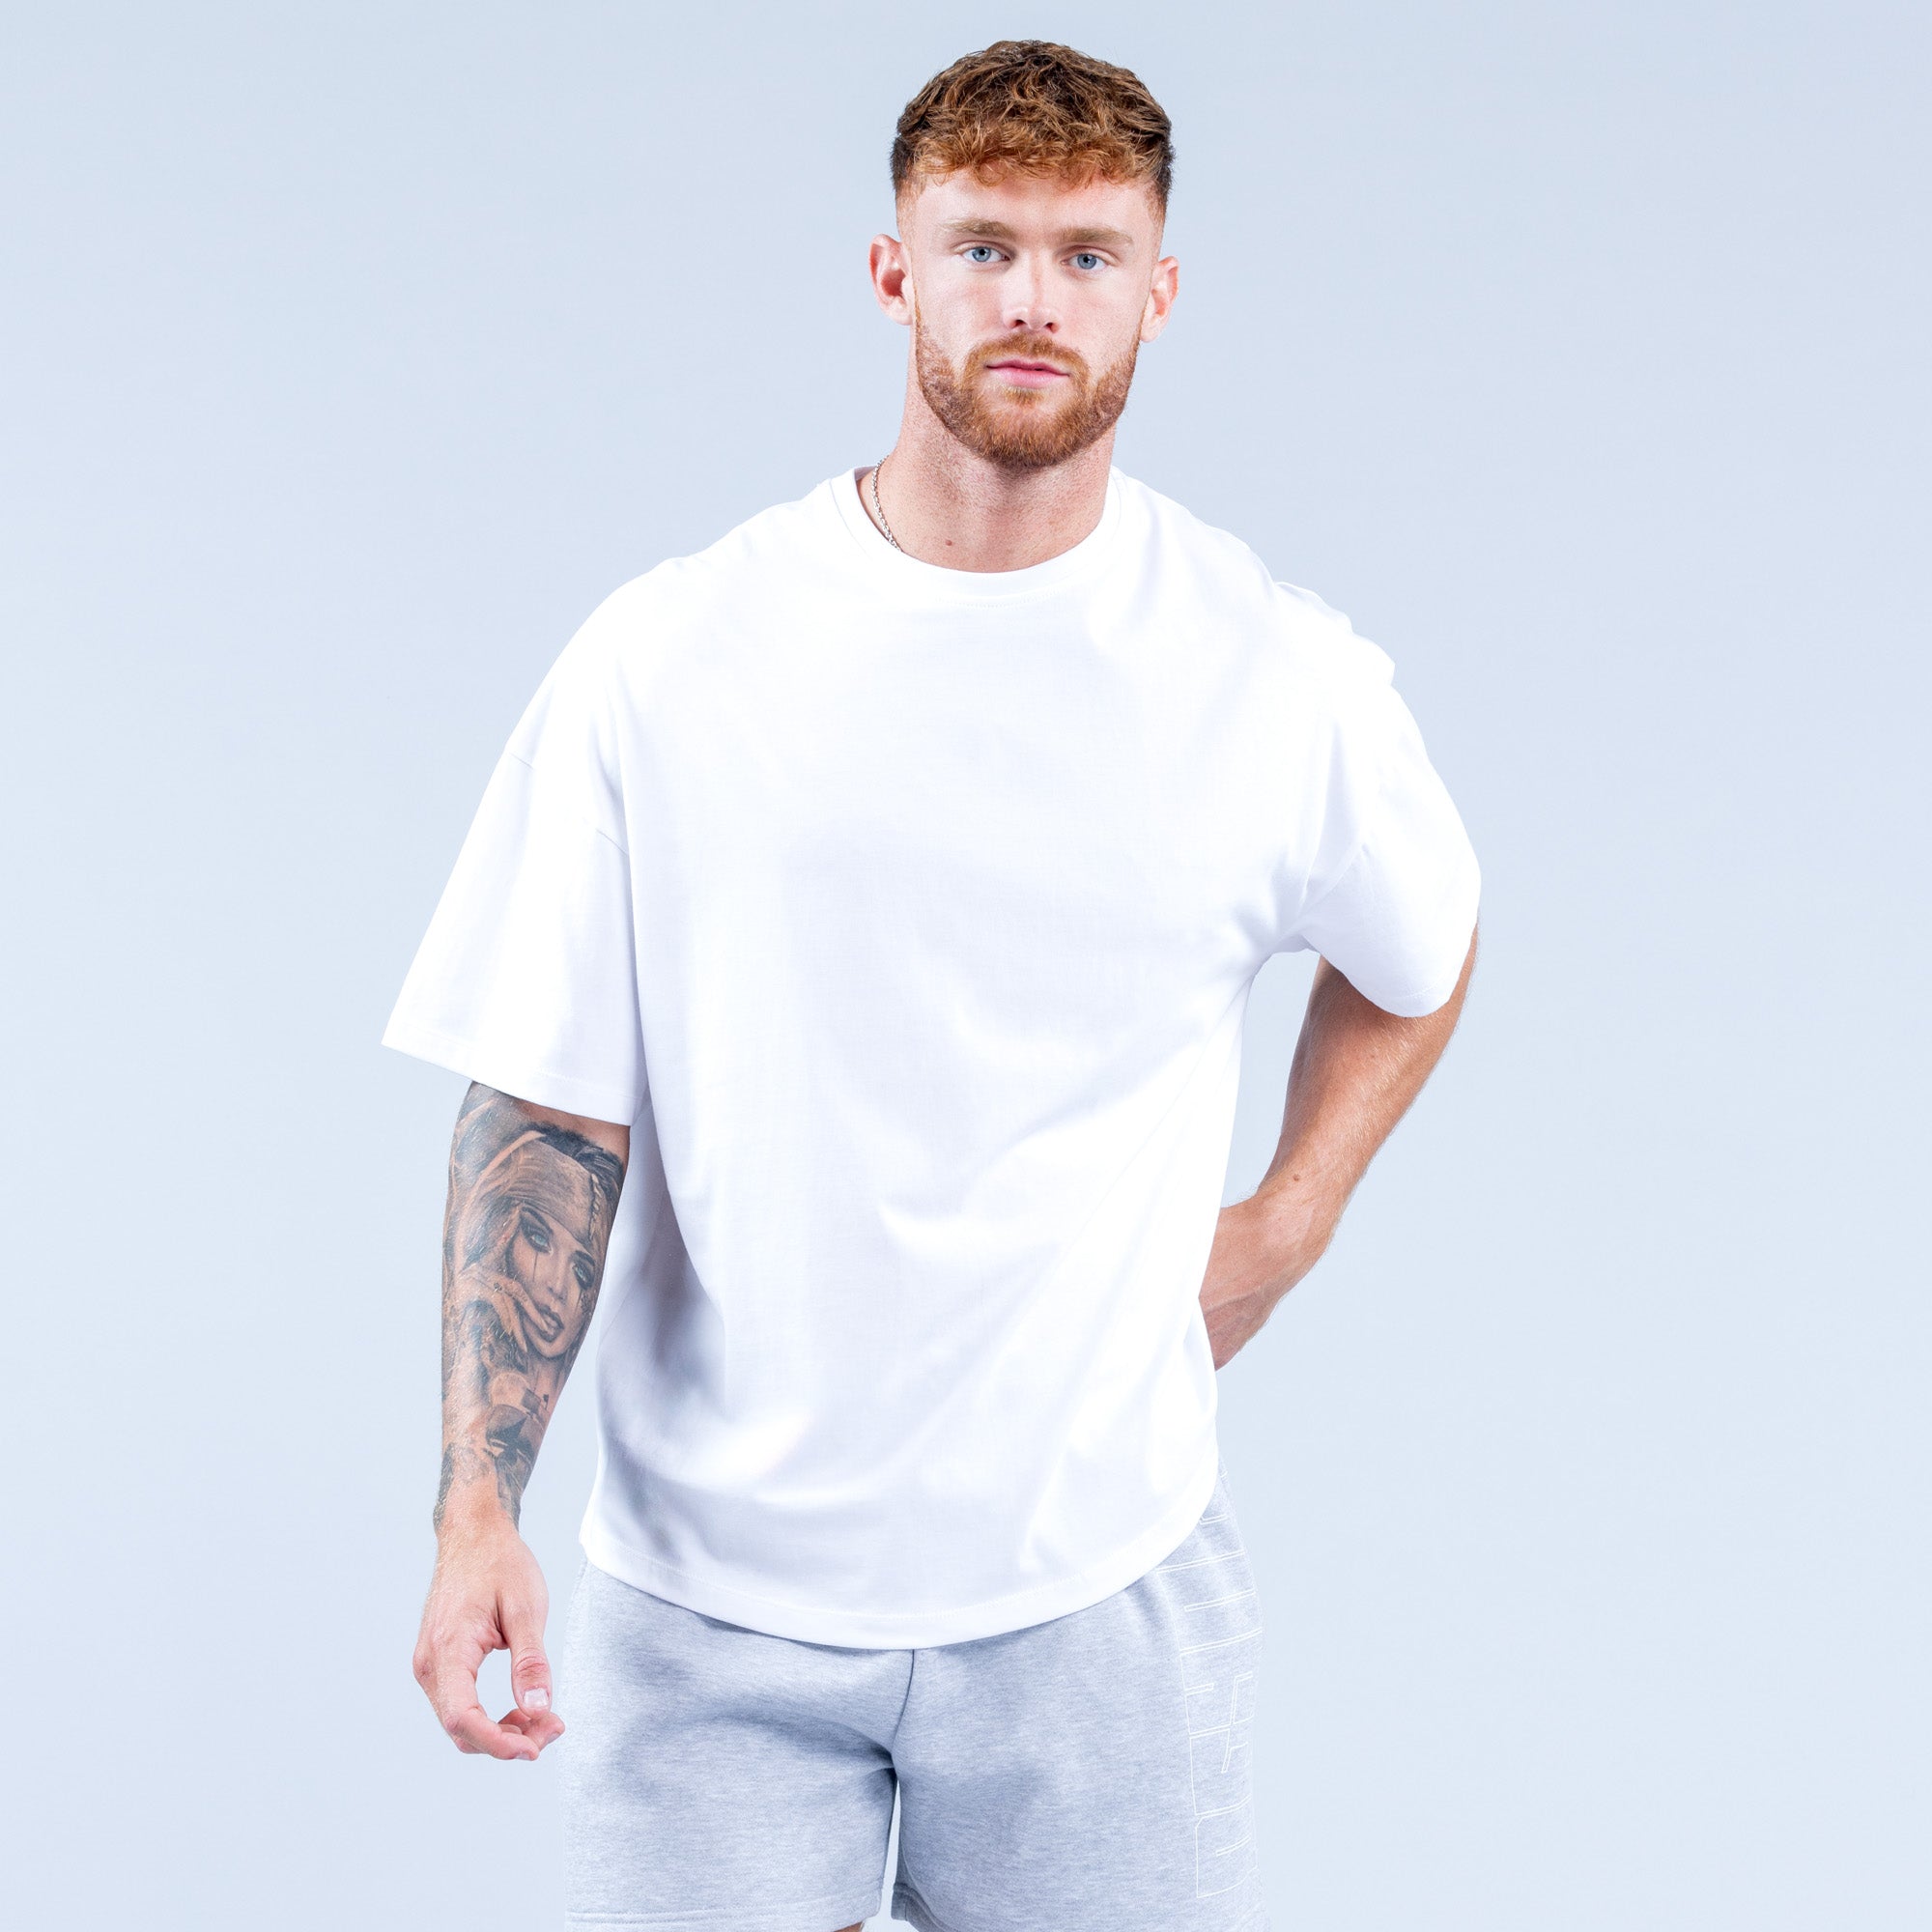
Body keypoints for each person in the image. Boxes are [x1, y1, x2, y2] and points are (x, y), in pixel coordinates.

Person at [385, 38, 1480, 1932]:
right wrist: (477, 1504)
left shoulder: (1266, 672)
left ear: (1157, 290)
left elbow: (1424, 948)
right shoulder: (673, 657)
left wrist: (1287, 1223)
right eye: (983, 247)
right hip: (709, 1611)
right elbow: (547, 1102)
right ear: (895, 271)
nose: (1031, 300)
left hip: (1100, 1594)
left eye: (1083, 253)